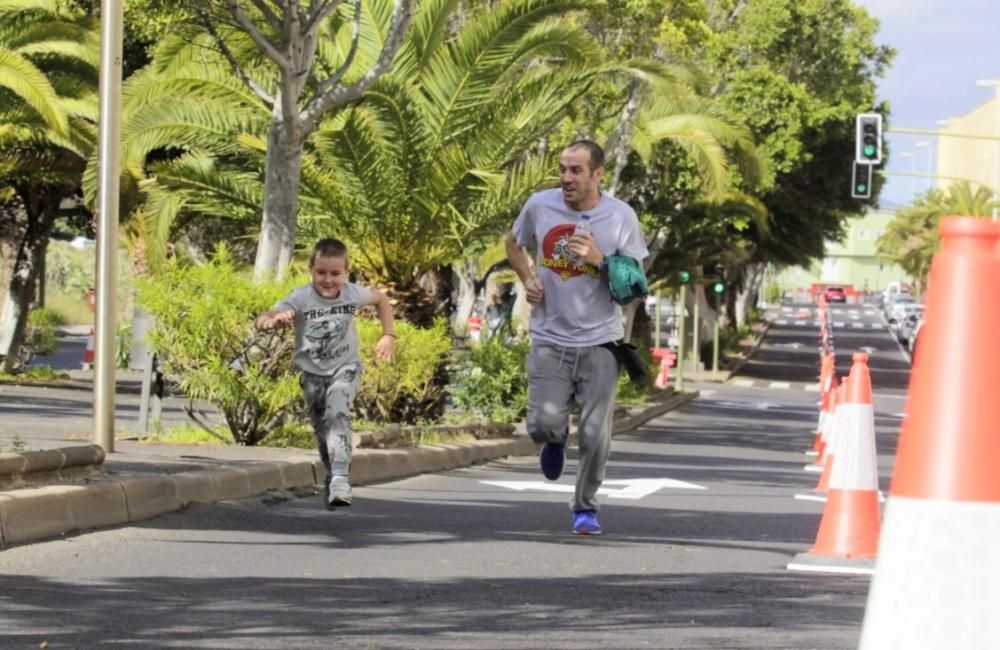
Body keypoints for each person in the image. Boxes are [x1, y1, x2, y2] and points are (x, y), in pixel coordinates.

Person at [505, 140, 648, 535]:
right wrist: (529, 279)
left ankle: (585, 507)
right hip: (550, 335)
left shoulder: (621, 217)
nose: (566, 178)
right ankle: (553, 440)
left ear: (597, 174)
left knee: (594, 432)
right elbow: (513, 242)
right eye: (562, 169)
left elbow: (635, 284)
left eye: (575, 171)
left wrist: (600, 260)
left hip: (602, 339)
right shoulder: (540, 205)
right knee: (542, 424)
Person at [255, 238, 396, 510]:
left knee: (337, 411)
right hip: (312, 375)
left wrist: (388, 335)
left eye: (335, 273)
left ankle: (341, 478)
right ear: (311, 270)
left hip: (346, 368)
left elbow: (381, 300)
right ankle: (332, 472)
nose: (328, 280)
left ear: (346, 272)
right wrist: (272, 322)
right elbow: (265, 316)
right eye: (321, 273)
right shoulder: (300, 297)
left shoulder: (353, 294)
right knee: (322, 430)